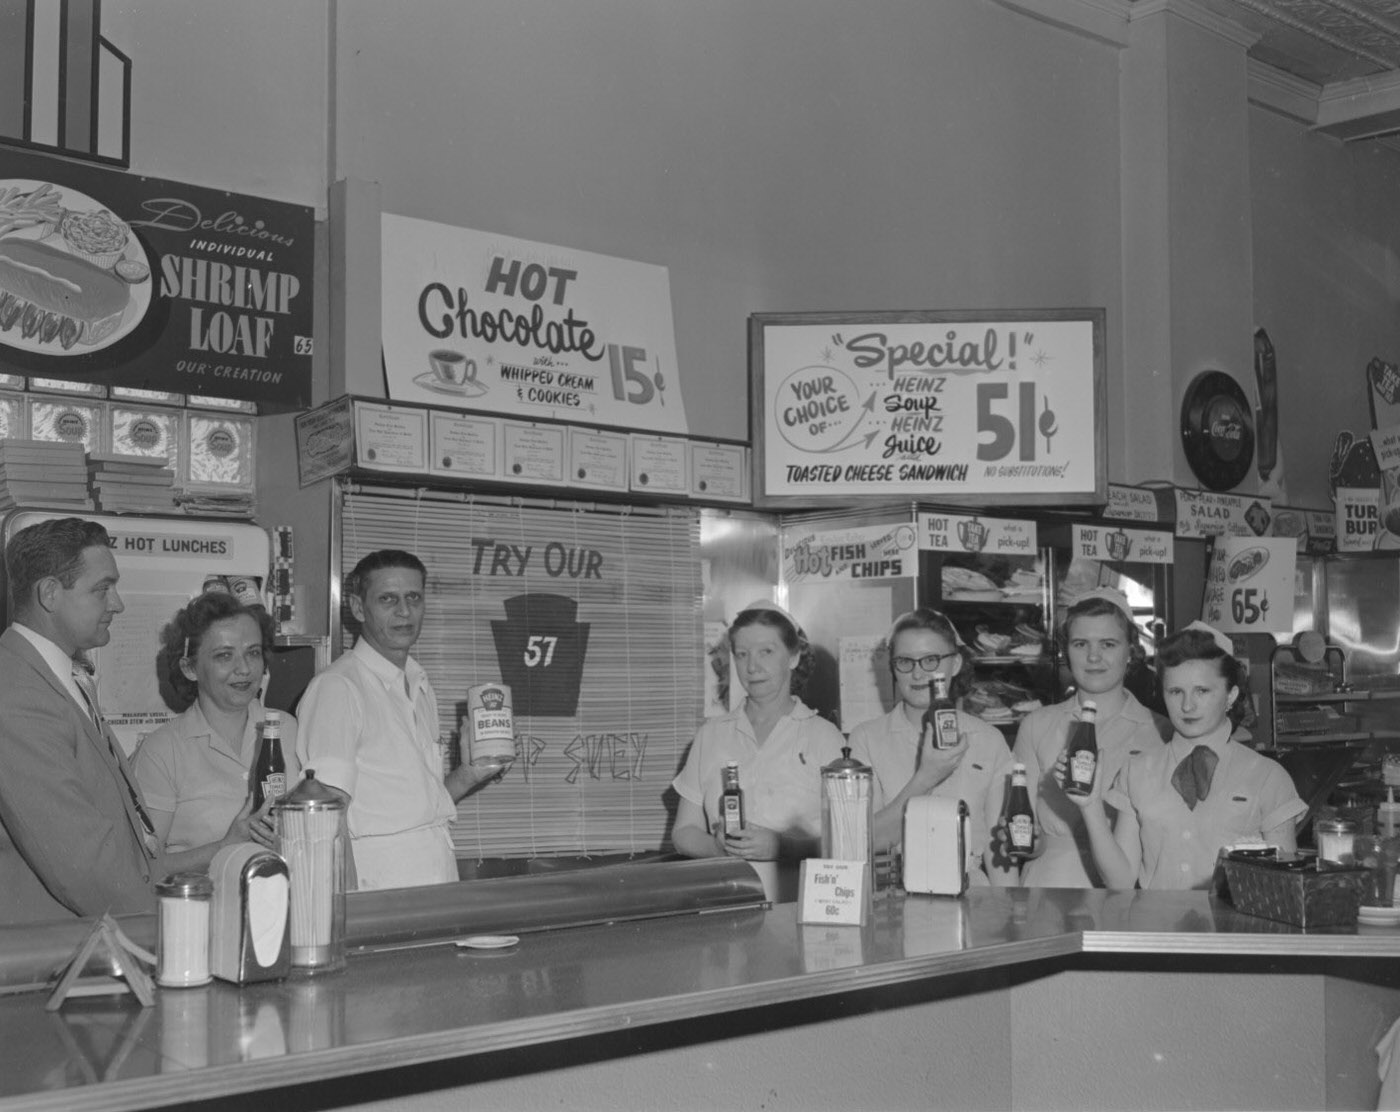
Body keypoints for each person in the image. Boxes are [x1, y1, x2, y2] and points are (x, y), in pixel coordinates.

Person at [296, 549, 510, 890]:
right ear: (356, 608)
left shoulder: (418, 682)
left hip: (434, 874)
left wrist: (469, 774)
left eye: (413, 597)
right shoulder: (338, 686)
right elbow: (325, 818)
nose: (404, 611)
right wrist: (351, 912)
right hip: (376, 886)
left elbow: (419, 806)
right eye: (387, 599)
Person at [1062, 621, 1305, 890]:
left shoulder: (1267, 777)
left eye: (1202, 691)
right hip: (1157, 926)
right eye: (1176, 692)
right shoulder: (1137, 771)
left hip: (1235, 930)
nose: (1187, 706)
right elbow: (1120, 880)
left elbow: (1286, 885)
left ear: (1231, 695)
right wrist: (1090, 806)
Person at [0, 517, 160, 922]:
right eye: (102, 589)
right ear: (50, 594)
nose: (118, 603)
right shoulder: (17, 694)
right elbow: (83, 865)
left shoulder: (60, 675)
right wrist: (173, 932)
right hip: (51, 953)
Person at [1010, 588, 1168, 886]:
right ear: (1065, 650)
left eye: (1108, 644)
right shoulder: (1036, 725)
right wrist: (1018, 839)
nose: (1094, 656)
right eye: (1081, 644)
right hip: (1047, 892)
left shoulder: (1160, 734)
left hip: (1124, 897)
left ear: (1131, 650)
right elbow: (1028, 832)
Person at [848, 608, 1016, 886]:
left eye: (931, 660)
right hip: (895, 896)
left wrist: (1010, 914)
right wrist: (926, 777)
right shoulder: (866, 739)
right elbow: (865, 841)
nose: (917, 673)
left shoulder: (988, 739)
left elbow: (1001, 847)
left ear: (956, 664)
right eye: (904, 661)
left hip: (973, 895)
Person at [672, 600, 847, 866]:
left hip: (799, 897)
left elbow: (848, 835)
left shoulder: (824, 737)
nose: (752, 666)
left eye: (766, 651)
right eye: (742, 654)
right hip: (728, 893)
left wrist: (782, 847)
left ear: (793, 657)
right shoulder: (711, 736)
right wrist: (719, 849)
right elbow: (684, 832)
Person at [133, 591, 296, 872]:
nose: (244, 669)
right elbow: (142, 870)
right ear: (190, 668)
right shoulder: (162, 751)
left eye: (253, 653)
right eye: (224, 656)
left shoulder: (289, 728)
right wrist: (225, 847)